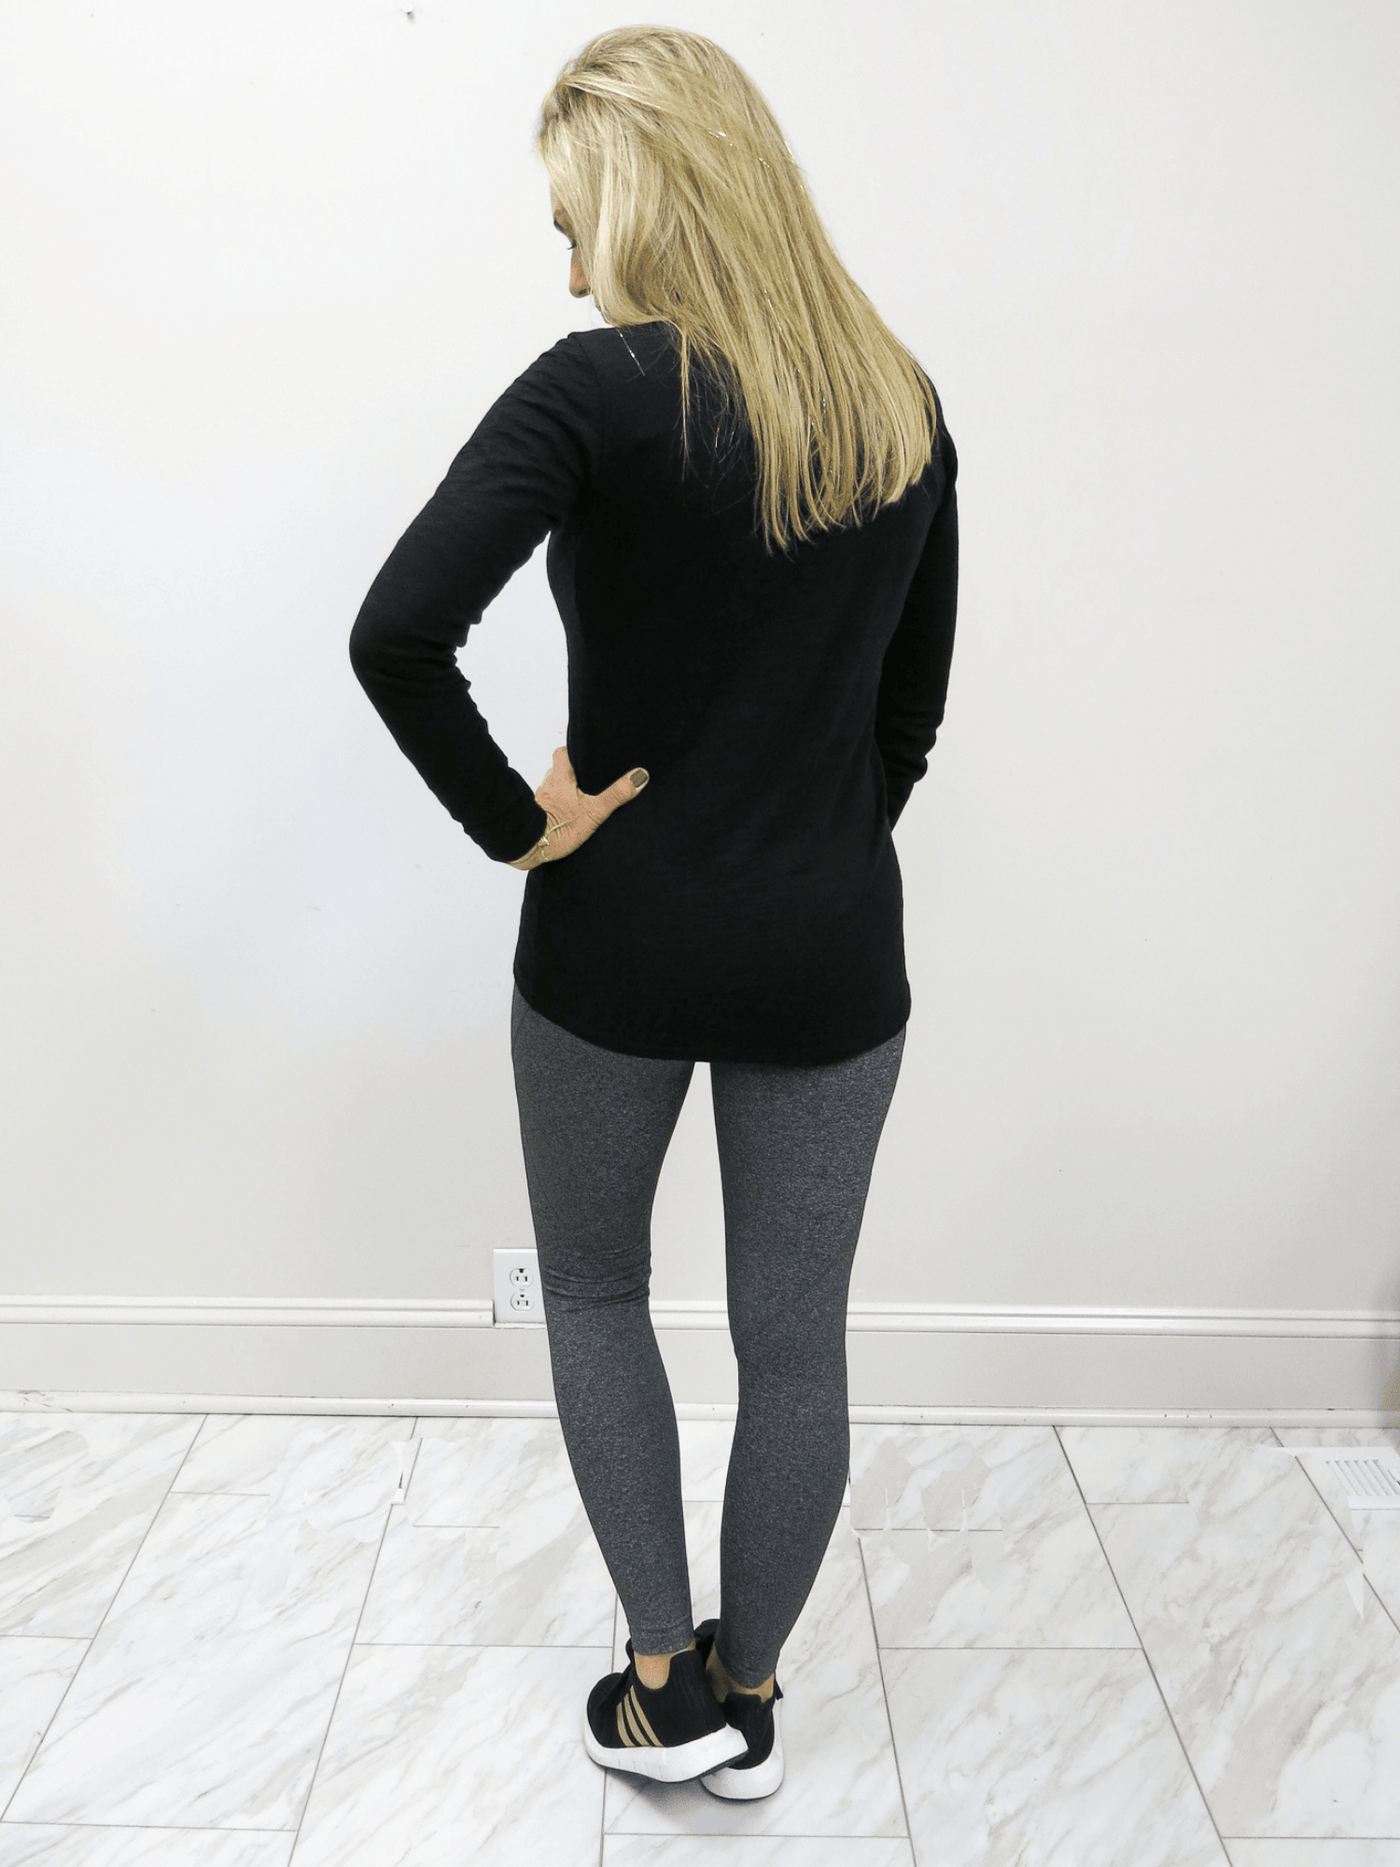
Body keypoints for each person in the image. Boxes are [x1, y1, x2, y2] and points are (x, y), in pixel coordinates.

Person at [348, 24, 959, 1801]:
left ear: (642, 194)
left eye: (572, 221)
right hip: (829, 952)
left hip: (612, 941)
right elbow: (910, 712)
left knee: (600, 1291)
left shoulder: (591, 391)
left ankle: (661, 1684)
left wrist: (519, 828)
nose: (567, 266)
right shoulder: (897, 397)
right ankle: (752, 1696)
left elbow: (395, 634)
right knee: (797, 1341)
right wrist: (805, 851)